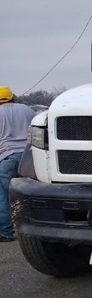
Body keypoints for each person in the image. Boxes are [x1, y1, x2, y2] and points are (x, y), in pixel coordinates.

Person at [0, 87, 36, 242]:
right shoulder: (27, 109)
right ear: (12, 97)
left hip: (6, 157)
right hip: (30, 157)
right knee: (30, 194)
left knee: (4, 197)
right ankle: (36, 230)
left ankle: (6, 232)